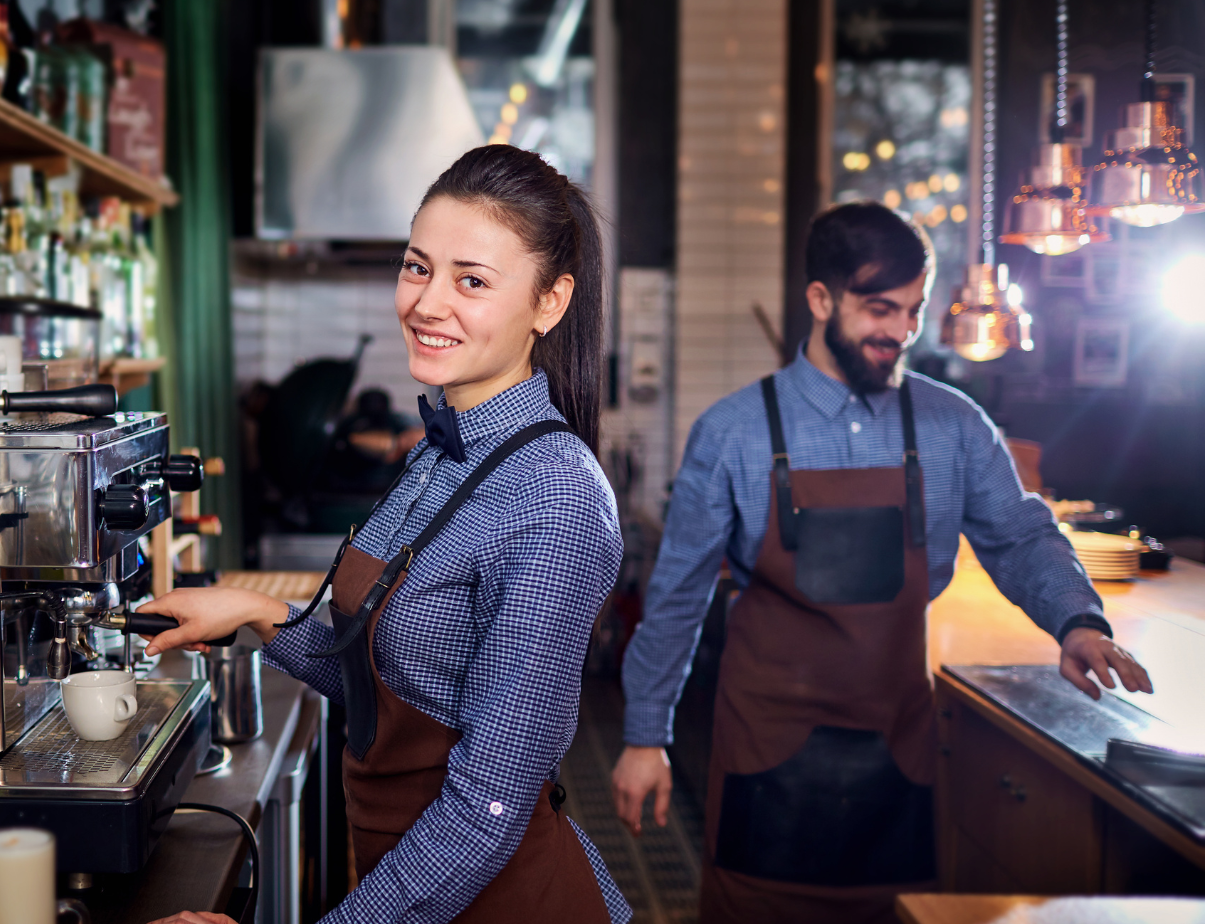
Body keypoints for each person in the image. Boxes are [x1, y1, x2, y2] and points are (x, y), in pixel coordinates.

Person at [612, 202, 1153, 924]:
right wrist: (646, 736)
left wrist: (1077, 621)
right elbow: (675, 599)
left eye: (913, 310)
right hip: (766, 746)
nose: (900, 331)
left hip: (896, 745)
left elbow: (1020, 535)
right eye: (879, 308)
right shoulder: (733, 432)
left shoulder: (954, 424)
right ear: (820, 299)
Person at [139, 146, 632, 924]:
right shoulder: (436, 451)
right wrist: (251, 611)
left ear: (550, 302)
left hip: (502, 901)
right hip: (403, 883)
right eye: (417, 267)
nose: (428, 303)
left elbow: (485, 811)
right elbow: (386, 687)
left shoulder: (557, 498)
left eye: (471, 280)